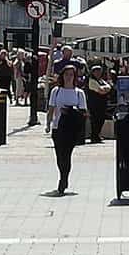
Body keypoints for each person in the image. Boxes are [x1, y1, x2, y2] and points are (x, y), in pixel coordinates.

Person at [46, 64, 87, 195]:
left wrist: (70, 110)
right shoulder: (56, 91)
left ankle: (63, 180)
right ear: (62, 76)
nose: (68, 77)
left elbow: (84, 112)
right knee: (59, 155)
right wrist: (48, 123)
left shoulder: (79, 93)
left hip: (72, 128)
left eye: (71, 75)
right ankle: (63, 174)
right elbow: (51, 108)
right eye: (66, 74)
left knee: (67, 154)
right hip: (58, 126)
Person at [86, 63, 112, 143]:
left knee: (101, 119)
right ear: (92, 72)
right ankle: (94, 136)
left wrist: (105, 89)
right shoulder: (91, 81)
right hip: (94, 104)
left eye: (99, 71)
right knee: (95, 120)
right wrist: (105, 89)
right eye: (96, 71)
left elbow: (109, 87)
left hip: (102, 104)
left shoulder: (101, 80)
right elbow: (100, 91)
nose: (98, 73)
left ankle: (97, 134)